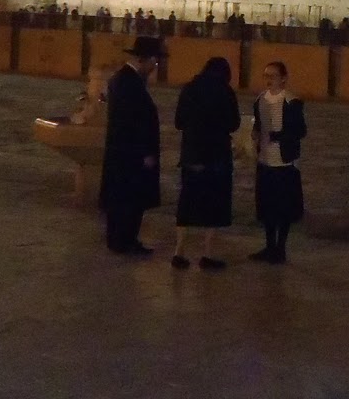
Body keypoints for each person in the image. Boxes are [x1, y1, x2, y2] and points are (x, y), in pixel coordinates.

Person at [172, 56, 240, 269]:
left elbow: (178, 122)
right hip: (216, 156)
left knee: (187, 201)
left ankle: (179, 252)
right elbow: (234, 123)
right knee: (215, 204)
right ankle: (207, 253)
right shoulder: (225, 91)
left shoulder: (189, 89)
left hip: (191, 154)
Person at [99, 37, 164, 255]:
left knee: (122, 198)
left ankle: (120, 240)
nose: (155, 66)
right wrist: (144, 151)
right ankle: (125, 241)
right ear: (144, 59)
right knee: (129, 199)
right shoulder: (129, 82)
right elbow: (133, 121)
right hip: (131, 154)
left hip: (123, 152)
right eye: (154, 61)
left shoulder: (124, 79)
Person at [250, 60, 307, 263]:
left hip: (284, 161)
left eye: (272, 76)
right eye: (266, 75)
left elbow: (300, 130)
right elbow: (256, 124)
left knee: (283, 207)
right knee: (267, 206)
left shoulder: (292, 102)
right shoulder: (260, 100)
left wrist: (276, 136)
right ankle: (269, 246)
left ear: (283, 78)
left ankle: (280, 248)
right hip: (265, 159)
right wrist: (255, 134)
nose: (268, 80)